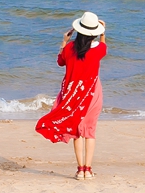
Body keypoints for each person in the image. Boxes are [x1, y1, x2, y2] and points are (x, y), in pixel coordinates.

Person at [35, 11, 107, 180]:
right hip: (92, 93)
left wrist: (64, 41)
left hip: (73, 94)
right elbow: (103, 47)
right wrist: (103, 34)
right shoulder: (99, 49)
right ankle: (88, 170)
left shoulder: (69, 49)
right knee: (89, 131)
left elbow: (60, 62)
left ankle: (80, 169)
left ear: (78, 29)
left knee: (77, 132)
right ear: (94, 32)